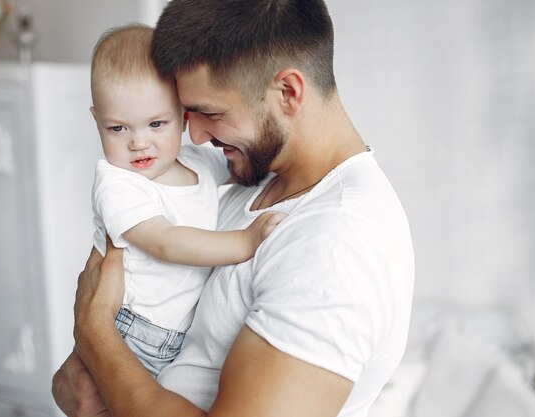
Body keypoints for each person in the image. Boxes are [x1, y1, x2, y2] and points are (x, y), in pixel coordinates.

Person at [52, 1, 415, 416]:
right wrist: (82, 377)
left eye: (210, 112)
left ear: (288, 92)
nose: (196, 134)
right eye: (186, 113)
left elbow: (98, 325)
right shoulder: (250, 178)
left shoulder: (337, 246)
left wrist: (95, 333)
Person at [88, 24, 285, 377]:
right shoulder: (117, 184)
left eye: (156, 124)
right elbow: (164, 241)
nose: (138, 143)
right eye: (118, 128)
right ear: (96, 120)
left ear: (183, 117)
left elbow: (244, 167)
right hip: (134, 330)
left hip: (178, 336)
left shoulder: (196, 161)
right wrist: (243, 241)